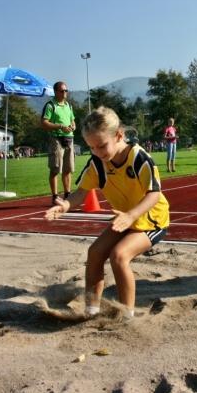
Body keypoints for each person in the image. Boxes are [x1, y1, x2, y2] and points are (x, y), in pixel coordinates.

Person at [44, 107, 169, 320]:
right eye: (92, 147)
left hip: (151, 220)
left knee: (119, 256)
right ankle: (91, 310)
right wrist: (65, 205)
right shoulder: (97, 163)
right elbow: (82, 192)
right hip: (124, 219)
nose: (97, 152)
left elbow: (154, 195)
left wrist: (131, 215)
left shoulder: (139, 158)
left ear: (119, 135)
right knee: (95, 253)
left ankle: (126, 315)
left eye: (102, 146)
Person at [41, 81, 76, 205]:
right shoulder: (51, 106)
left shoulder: (68, 106)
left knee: (68, 169)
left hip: (69, 139)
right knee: (55, 169)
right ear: (55, 92)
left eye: (66, 90)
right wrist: (60, 126)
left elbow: (73, 121)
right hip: (56, 139)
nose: (65, 93)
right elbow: (44, 123)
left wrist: (73, 126)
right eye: (62, 91)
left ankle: (67, 194)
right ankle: (55, 196)